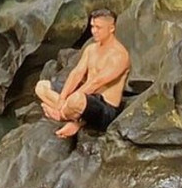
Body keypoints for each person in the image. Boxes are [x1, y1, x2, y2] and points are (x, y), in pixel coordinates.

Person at [35, 8, 130, 138]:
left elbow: (96, 83)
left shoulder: (119, 56)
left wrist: (66, 104)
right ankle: (69, 114)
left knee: (76, 99)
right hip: (85, 96)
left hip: (104, 107)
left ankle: (65, 117)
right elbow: (76, 74)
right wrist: (62, 98)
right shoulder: (91, 49)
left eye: (98, 27)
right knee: (41, 86)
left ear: (111, 28)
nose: (94, 31)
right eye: (92, 26)